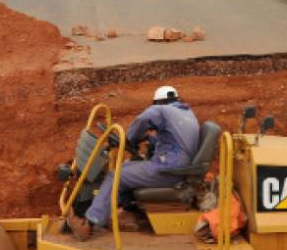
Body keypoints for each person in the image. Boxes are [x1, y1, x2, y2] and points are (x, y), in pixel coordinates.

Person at [67, 85, 199, 240]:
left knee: (116, 176)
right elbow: (174, 141)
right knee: (128, 166)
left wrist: (131, 138)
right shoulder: (185, 112)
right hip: (175, 166)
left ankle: (88, 223)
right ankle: (129, 210)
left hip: (168, 171)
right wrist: (149, 138)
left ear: (157, 103)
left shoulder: (161, 110)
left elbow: (144, 119)